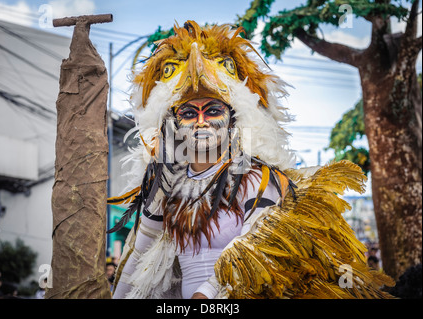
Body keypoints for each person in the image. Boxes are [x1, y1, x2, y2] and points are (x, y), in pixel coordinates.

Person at [108, 21, 395, 299]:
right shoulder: (166, 186)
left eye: (212, 111)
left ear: (233, 119)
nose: (200, 122)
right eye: (188, 113)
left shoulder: (256, 179)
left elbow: (256, 248)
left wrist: (205, 295)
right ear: (173, 123)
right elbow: (138, 259)